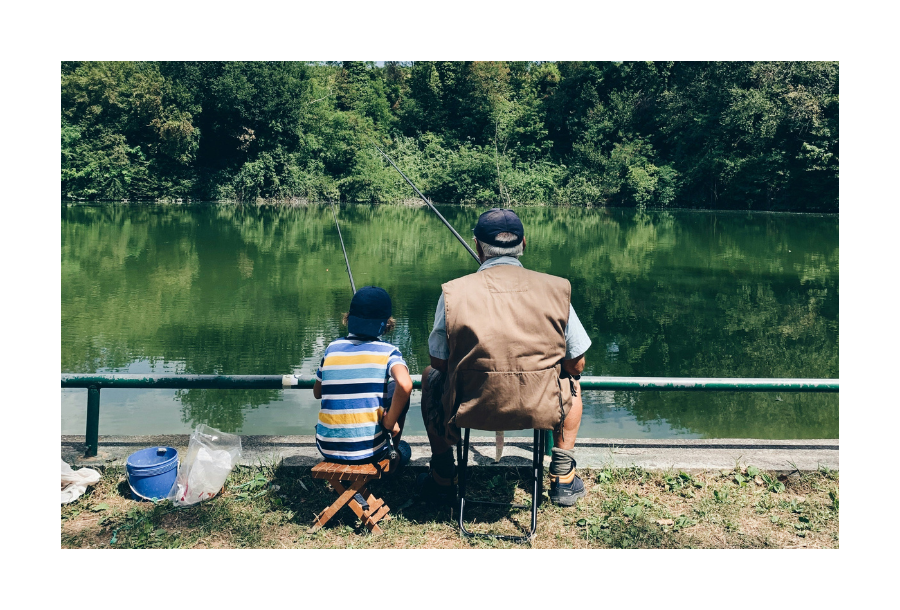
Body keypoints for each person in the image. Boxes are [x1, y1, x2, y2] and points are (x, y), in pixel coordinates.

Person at [417, 208, 592, 507]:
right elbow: (576, 364)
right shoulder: (557, 288)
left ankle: (443, 474)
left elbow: (439, 363)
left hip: (469, 407)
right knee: (572, 384)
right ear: (524, 244)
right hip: (541, 407)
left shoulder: (452, 293)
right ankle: (563, 477)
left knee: (430, 378)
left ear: (477, 246)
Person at [313, 286, 413, 491]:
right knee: (405, 448)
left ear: (349, 319)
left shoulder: (332, 348)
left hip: (327, 449)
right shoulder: (389, 352)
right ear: (386, 325)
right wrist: (388, 421)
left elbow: (317, 392)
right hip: (369, 453)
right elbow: (405, 384)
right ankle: (392, 463)